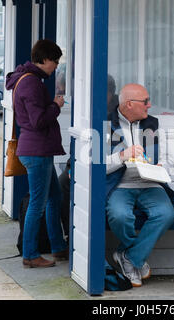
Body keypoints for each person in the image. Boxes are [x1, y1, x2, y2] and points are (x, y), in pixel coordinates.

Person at [106, 83, 174, 287]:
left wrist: (162, 166)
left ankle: (129, 258)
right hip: (119, 185)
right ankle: (134, 257)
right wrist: (121, 156)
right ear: (129, 104)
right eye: (145, 101)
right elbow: (98, 166)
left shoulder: (153, 124)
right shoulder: (106, 124)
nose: (149, 105)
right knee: (120, 216)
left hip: (150, 183)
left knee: (166, 214)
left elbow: (169, 159)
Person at [5, 39, 68, 268]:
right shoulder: (32, 83)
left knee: (54, 198)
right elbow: (38, 120)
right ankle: (30, 255)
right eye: (55, 61)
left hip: (36, 149)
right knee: (38, 203)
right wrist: (56, 105)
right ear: (44, 59)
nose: (56, 66)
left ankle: (58, 247)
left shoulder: (24, 79)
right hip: (37, 151)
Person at [58, 74, 119, 243]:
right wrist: (72, 166)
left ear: (110, 93)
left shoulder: (117, 114)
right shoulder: (90, 108)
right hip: (90, 160)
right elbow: (80, 142)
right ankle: (70, 234)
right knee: (63, 182)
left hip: (111, 166)